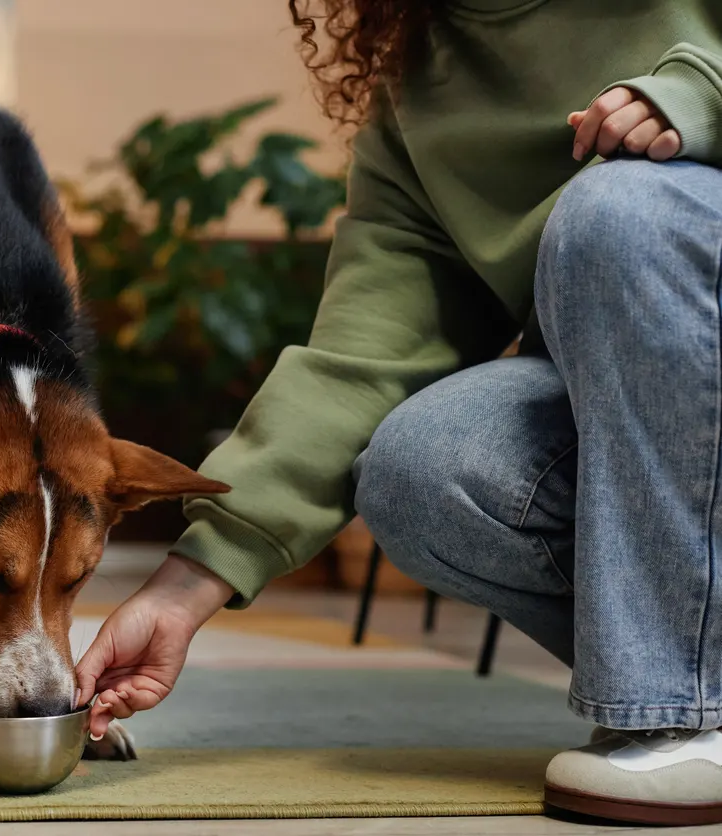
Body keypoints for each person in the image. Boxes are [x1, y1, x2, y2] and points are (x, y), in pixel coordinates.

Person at [75, 0, 722, 824]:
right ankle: (699, 683)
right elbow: (363, 359)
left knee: (620, 214)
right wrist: (178, 592)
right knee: (423, 470)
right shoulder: (421, 86)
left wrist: (703, 96)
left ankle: (684, 712)